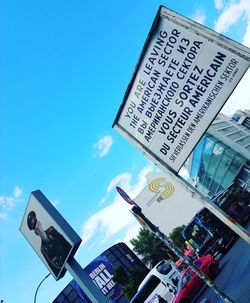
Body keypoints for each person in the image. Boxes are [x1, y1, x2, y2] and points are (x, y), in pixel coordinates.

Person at [27, 210, 71, 276]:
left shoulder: (52, 230)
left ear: (40, 223)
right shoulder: (43, 249)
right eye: (35, 229)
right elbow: (56, 271)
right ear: (36, 233)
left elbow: (68, 245)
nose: (37, 228)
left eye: (37, 225)